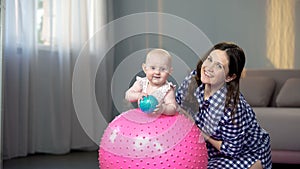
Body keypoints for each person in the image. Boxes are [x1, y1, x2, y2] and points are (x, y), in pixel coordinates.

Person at [176, 42, 272, 169]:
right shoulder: (193, 79)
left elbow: (232, 150)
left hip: (245, 154)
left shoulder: (232, 108)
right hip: (209, 150)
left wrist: (200, 132)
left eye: (219, 66)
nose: (208, 68)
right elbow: (177, 103)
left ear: (229, 77)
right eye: (209, 59)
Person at [125, 48, 177, 115]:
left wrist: (163, 109)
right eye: (153, 68)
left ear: (170, 71)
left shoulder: (167, 89)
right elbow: (128, 95)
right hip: (142, 116)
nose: (157, 72)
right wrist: (138, 95)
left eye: (163, 69)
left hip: (159, 120)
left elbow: (173, 108)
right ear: (145, 68)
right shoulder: (142, 83)